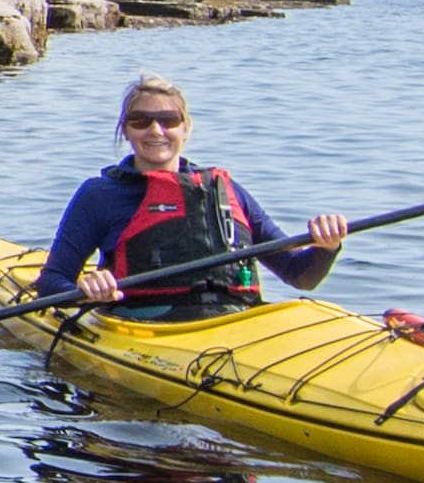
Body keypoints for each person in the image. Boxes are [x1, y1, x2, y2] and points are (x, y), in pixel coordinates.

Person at [36, 76, 348, 318]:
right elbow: (52, 281)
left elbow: (299, 276)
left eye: (169, 120)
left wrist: (327, 247)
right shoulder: (100, 195)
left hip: (236, 326)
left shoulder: (227, 191)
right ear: (126, 130)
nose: (156, 130)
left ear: (186, 128)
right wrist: (83, 290)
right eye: (140, 121)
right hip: (144, 329)